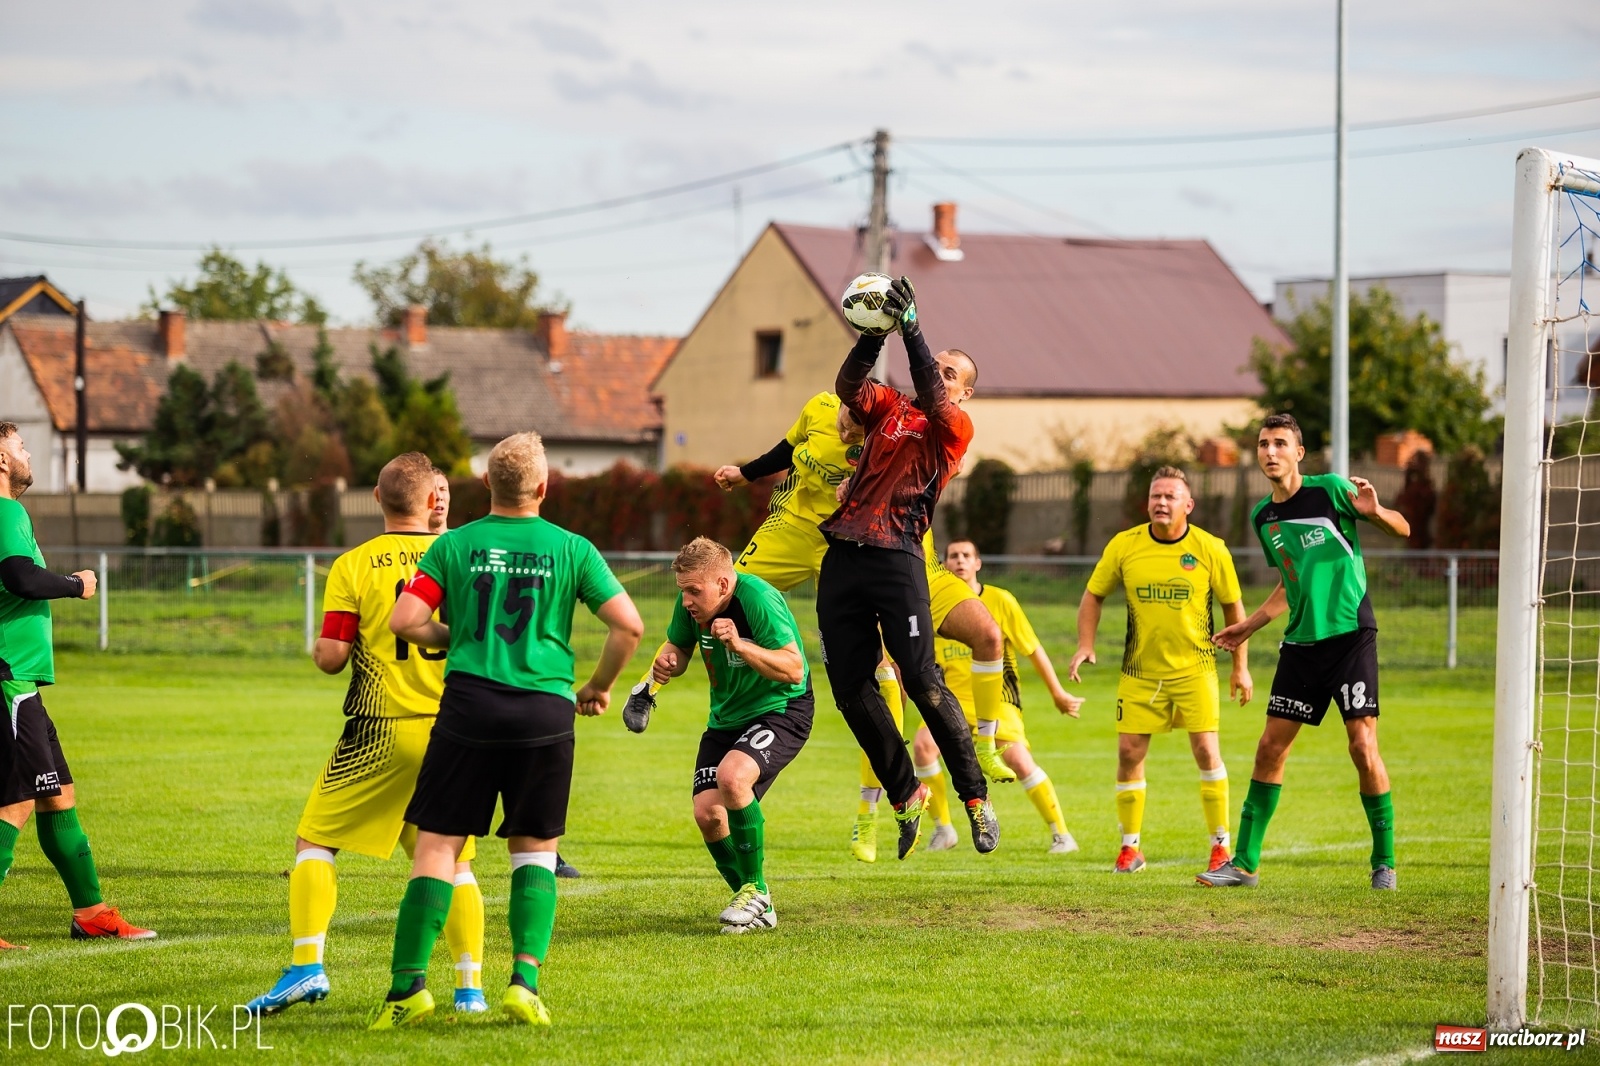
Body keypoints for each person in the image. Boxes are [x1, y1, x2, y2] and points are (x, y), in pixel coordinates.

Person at [627, 390, 1011, 865]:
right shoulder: (822, 407)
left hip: (876, 550)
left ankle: (971, 766)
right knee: (715, 591)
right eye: (846, 423)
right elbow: (790, 446)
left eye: (855, 430)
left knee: (940, 658)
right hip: (800, 535)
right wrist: (745, 473)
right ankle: (648, 688)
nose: (846, 432)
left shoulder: (900, 435)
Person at [372, 432, 642, 1029]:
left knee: (438, 847)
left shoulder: (456, 545)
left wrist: (458, 638)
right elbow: (628, 626)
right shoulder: (572, 547)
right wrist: (596, 687)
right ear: (543, 488)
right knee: (535, 854)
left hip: (469, 709)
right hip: (544, 715)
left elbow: (405, 620)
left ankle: (407, 990)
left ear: (485, 486)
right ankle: (524, 981)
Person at [246, 452, 486, 1017]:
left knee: (315, 842)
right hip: (453, 732)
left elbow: (330, 657)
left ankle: (306, 966)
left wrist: (328, 647)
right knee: (453, 862)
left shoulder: (353, 565)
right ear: (434, 502)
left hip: (379, 730)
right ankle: (470, 989)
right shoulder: (460, 557)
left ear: (376, 500)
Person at [814, 275, 996, 861]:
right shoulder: (891, 405)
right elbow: (848, 386)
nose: (938, 375)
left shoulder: (954, 427)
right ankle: (904, 793)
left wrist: (913, 330)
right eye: (936, 365)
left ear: (964, 395)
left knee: (920, 680)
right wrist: (875, 334)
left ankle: (974, 798)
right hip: (844, 551)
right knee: (849, 688)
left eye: (951, 373)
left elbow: (930, 390)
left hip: (898, 556)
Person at [1198, 415, 1408, 890]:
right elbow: (1288, 581)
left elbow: (1404, 529)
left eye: (1279, 444)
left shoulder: (1331, 490)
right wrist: (1248, 626)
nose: (1270, 451)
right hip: (1299, 645)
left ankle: (1385, 862)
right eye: (1262, 444)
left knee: (1362, 745)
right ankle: (1245, 864)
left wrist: (1375, 513)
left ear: (1298, 453)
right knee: (1270, 747)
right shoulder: (1263, 517)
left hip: (1351, 635)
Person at [0, 422, 155, 949]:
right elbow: (19, 577)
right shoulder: (5, 511)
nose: (25, 453)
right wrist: (76, 585)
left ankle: (90, 911)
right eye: (18, 446)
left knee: (56, 796)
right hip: (8, 682)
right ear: (1, 461)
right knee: (15, 800)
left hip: (21, 686)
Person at [1070, 467, 1252, 876]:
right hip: (1140, 673)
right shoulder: (1125, 546)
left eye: (1171, 496)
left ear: (1188, 505)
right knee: (1128, 753)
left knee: (1207, 751)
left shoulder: (1210, 548)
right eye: (1156, 496)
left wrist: (1240, 668)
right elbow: (1093, 595)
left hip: (1196, 669)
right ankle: (1130, 849)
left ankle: (1220, 848)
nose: (1161, 503)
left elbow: (1234, 609)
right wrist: (1086, 644)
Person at [642, 538, 812, 933]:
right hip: (726, 718)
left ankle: (753, 890)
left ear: (722, 583)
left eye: (693, 590)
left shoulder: (759, 599)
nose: (686, 600)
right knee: (707, 814)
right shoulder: (693, 603)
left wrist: (739, 643)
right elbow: (678, 646)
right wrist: (669, 660)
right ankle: (758, 902)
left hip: (781, 709)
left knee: (733, 778)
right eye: (682, 590)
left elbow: (794, 669)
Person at [919, 540, 1085, 853]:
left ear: (978, 564)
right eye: (952, 556)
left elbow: (1032, 648)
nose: (959, 561)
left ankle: (1062, 835)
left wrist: (1058, 693)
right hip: (952, 700)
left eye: (966, 556)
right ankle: (944, 830)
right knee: (923, 746)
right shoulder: (932, 604)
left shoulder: (1000, 600)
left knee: (1019, 761)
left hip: (998, 701)